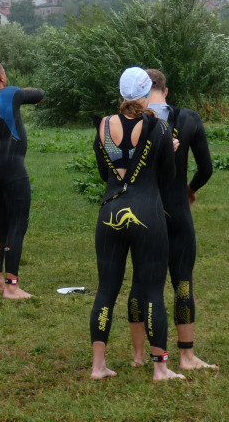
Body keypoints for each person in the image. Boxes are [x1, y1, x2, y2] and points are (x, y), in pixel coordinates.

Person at [90, 67, 182, 381]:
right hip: (146, 212)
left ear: (122, 95)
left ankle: (98, 366)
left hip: (111, 212)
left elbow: (106, 173)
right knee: (153, 289)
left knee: (106, 291)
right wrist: (168, 151)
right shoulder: (159, 127)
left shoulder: (103, 125)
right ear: (146, 94)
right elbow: (167, 178)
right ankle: (160, 367)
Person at [127, 69, 216, 371]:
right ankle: (187, 356)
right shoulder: (188, 119)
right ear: (166, 91)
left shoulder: (130, 119)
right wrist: (190, 190)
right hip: (177, 210)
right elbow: (206, 169)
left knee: (140, 281)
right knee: (182, 282)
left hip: (143, 211)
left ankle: (139, 355)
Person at [0, 61, 44, 299]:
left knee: (2, 223)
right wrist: (21, 90)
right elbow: (39, 95)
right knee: (18, 223)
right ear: (2, 77)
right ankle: (12, 286)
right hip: (12, 167)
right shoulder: (10, 92)